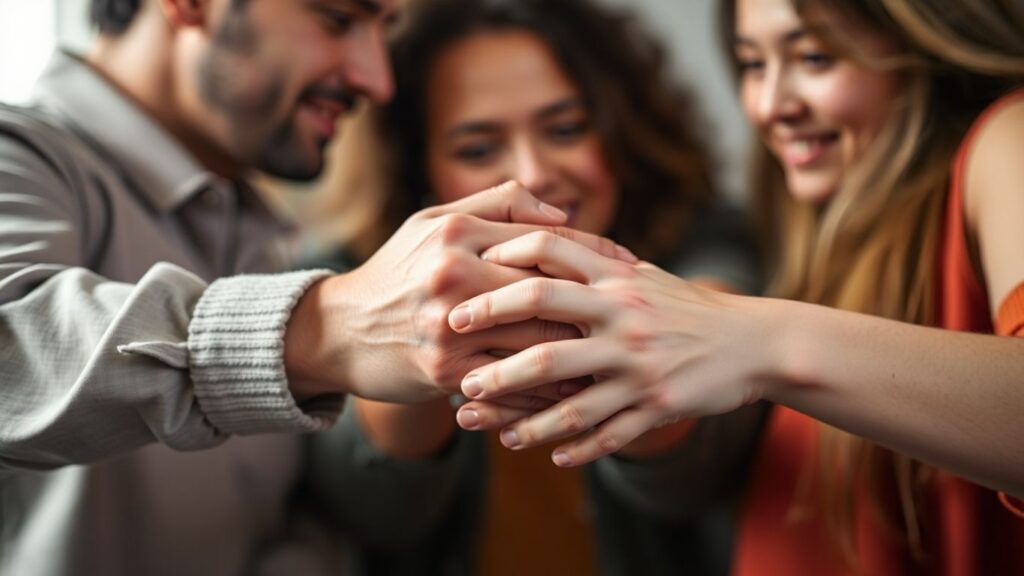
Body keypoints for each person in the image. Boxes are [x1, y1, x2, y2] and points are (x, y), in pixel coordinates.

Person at [0, 0, 632, 574]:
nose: (376, 80)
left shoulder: (270, 239)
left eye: (383, 29)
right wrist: (327, 327)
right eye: (337, 19)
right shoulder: (18, 156)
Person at [450, 0, 1024, 573]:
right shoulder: (823, 232)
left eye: (814, 57)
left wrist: (760, 340)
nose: (771, 105)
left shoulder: (1007, 138)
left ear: (922, 46)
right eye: (752, 65)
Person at [299, 0, 764, 573]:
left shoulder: (704, 240)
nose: (533, 172)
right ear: (418, 171)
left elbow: (694, 475)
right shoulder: (342, 279)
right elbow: (377, 512)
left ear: (620, 131)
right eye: (477, 149)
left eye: (565, 129)